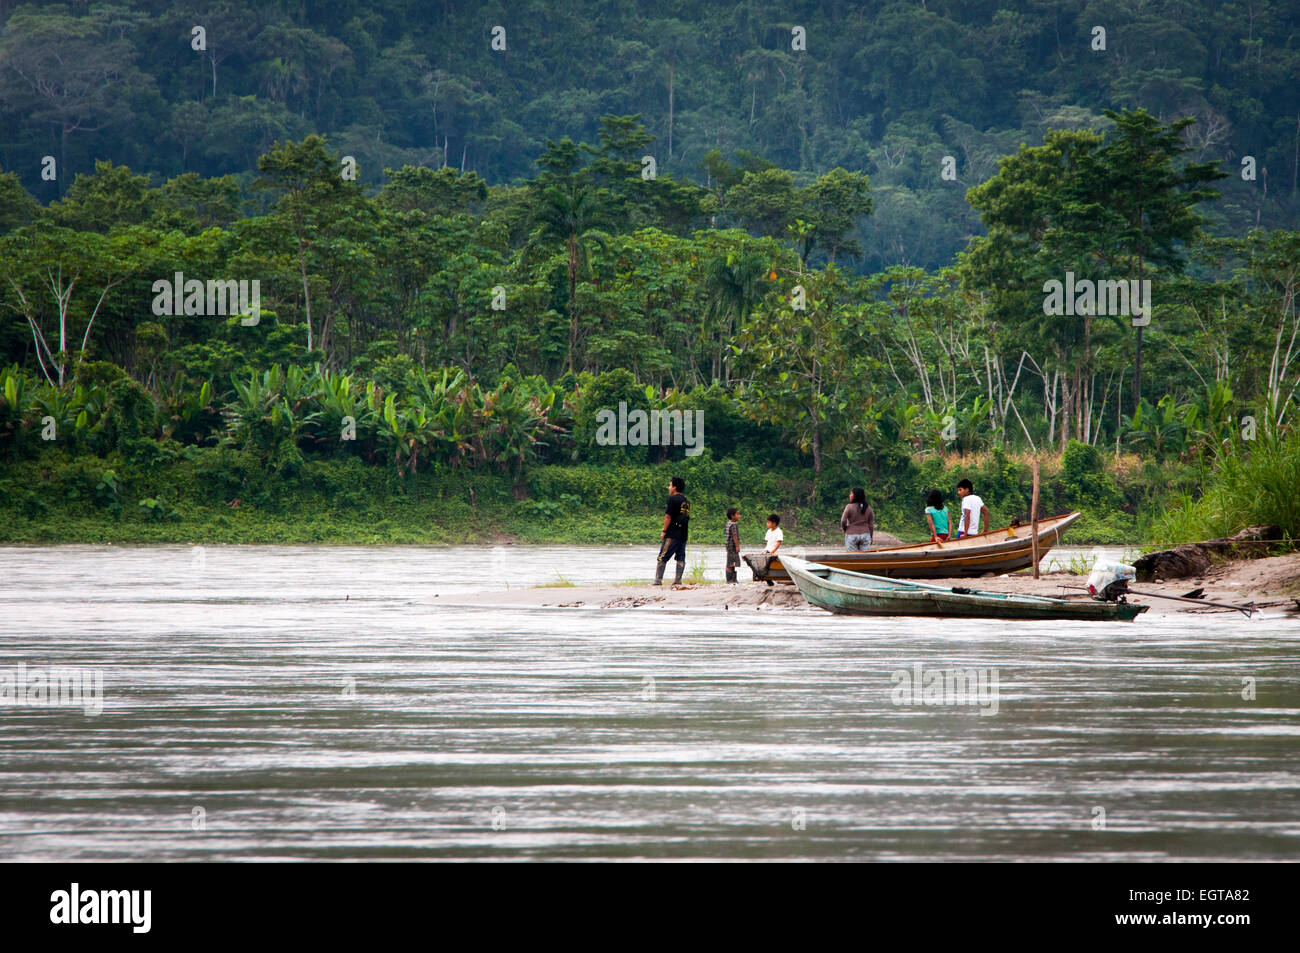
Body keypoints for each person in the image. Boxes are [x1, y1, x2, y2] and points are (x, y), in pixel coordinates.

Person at [653, 476, 690, 586]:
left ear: (674, 487)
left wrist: (664, 530)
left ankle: (658, 580)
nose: (669, 488)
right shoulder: (686, 501)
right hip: (683, 533)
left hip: (673, 533)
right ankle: (678, 580)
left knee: (663, 556)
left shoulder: (673, 499)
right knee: (681, 556)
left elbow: (668, 516)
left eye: (670, 485)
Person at [724, 507, 741, 583]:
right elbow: (735, 536)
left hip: (728, 546)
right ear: (732, 516)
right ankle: (730, 580)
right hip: (732, 547)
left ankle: (733, 579)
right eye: (737, 514)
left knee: (732, 562)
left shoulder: (728, 523)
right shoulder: (734, 524)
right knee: (731, 563)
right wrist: (737, 546)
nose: (739, 516)